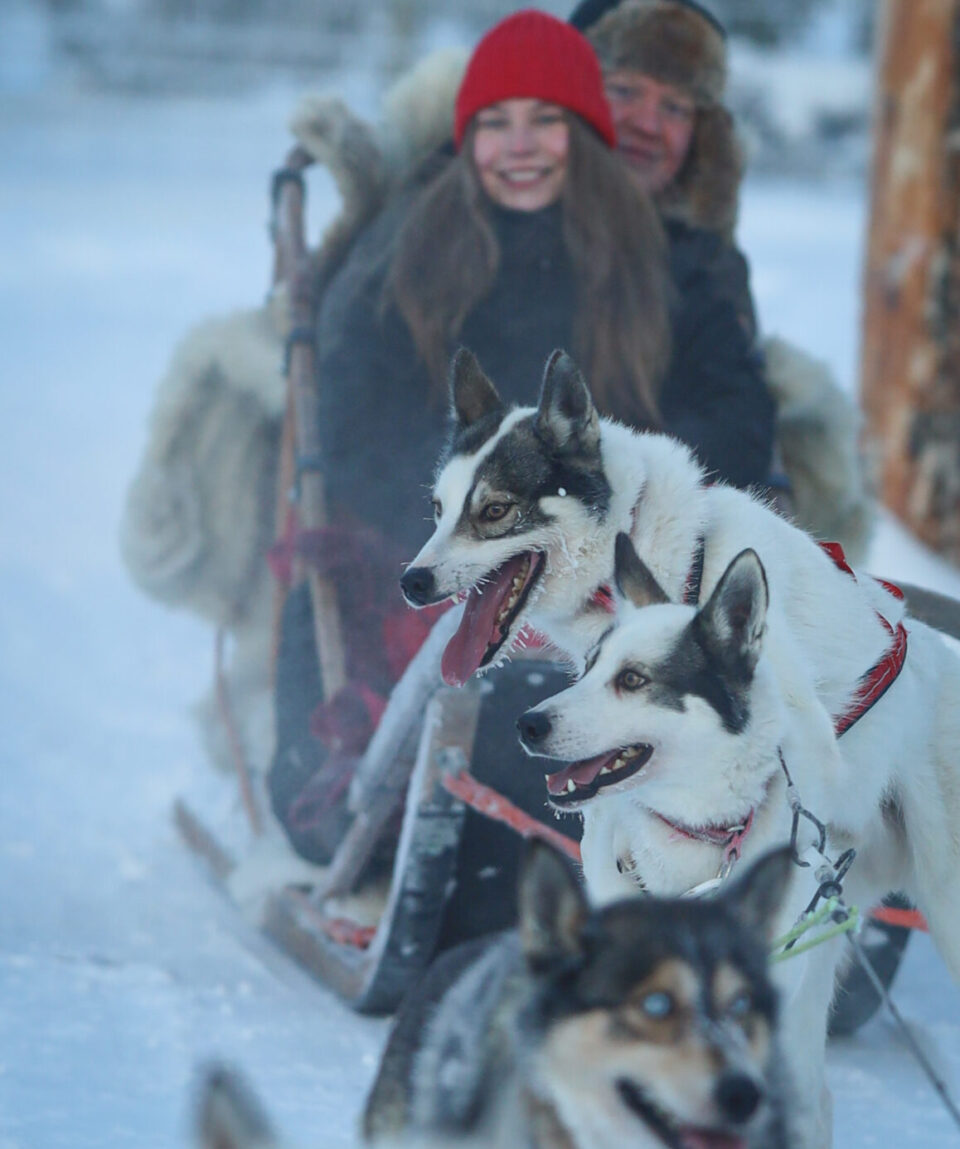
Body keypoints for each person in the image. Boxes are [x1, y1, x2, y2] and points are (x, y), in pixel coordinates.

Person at [268, 9, 775, 880]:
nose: (523, 146)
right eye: (498, 122)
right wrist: (466, 520)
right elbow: (359, 408)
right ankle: (447, 811)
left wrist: (629, 511)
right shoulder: (422, 243)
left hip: (621, 559)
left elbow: (731, 413)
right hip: (448, 546)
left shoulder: (666, 263)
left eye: (548, 120)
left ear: (584, 134)